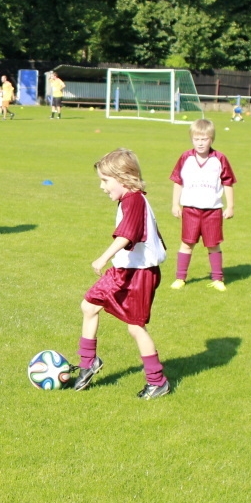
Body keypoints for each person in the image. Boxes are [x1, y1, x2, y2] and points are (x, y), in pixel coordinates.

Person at [73, 148, 172, 399]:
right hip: (123, 271)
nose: (102, 186)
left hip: (139, 274)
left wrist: (103, 257)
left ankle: (157, 381)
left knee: (135, 328)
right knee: (89, 306)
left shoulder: (134, 200)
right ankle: (87, 364)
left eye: (106, 180)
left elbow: (128, 234)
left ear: (123, 177)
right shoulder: (129, 199)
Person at [169, 119, 236, 291]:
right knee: (186, 243)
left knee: (213, 244)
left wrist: (230, 206)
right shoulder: (185, 158)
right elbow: (178, 181)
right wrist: (175, 204)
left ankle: (217, 279)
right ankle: (180, 278)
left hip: (212, 210)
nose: (200, 143)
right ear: (192, 139)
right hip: (190, 209)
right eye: (197, 139)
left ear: (211, 139)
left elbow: (228, 182)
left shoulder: (219, 158)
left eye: (204, 139)